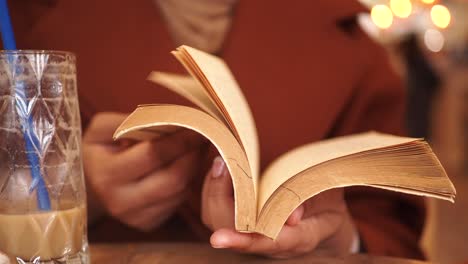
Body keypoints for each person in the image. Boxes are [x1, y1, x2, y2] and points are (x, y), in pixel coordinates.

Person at [7, 0, 425, 259]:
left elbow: (394, 236)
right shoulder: (21, 18)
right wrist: (83, 196)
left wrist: (340, 241)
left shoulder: (352, 41)